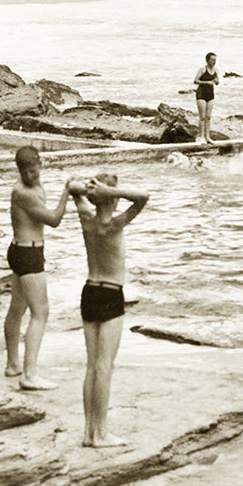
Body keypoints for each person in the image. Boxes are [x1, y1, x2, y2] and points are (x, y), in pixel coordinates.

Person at [69, 173, 149, 447]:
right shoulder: (116, 224)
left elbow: (71, 185)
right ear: (112, 200)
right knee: (105, 368)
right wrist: (109, 192)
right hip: (110, 293)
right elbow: (143, 197)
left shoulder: (86, 220)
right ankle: (101, 434)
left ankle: (88, 432)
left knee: (92, 367)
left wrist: (91, 189)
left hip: (89, 291)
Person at [5, 146, 75, 388]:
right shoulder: (22, 192)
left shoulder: (33, 184)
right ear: (19, 170)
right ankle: (29, 375)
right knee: (41, 312)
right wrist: (67, 192)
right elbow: (54, 220)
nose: (31, 176)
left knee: (17, 309)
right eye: (26, 172)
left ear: (39, 166)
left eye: (34, 171)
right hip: (28, 253)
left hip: (22, 250)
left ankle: (13, 364)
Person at [193, 52, 219, 143]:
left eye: (215, 60)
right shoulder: (202, 69)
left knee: (208, 117)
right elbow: (195, 81)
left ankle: (208, 136)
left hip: (210, 94)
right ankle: (201, 136)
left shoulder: (216, 70)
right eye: (212, 60)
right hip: (201, 94)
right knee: (202, 117)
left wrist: (216, 81)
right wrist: (207, 82)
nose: (214, 62)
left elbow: (217, 81)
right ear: (207, 60)